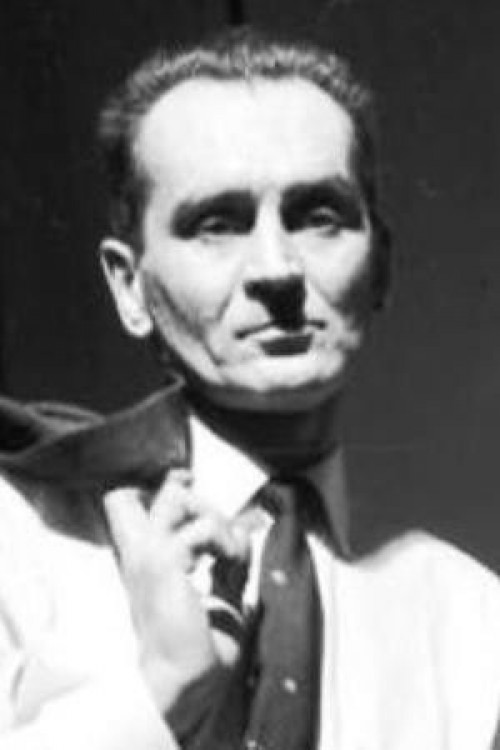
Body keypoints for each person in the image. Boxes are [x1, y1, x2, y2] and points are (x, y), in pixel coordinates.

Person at [1, 27, 500, 750]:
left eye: (318, 216)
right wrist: (159, 694)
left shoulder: (470, 619)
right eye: (217, 224)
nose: (277, 268)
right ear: (130, 287)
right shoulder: (18, 541)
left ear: (381, 265)